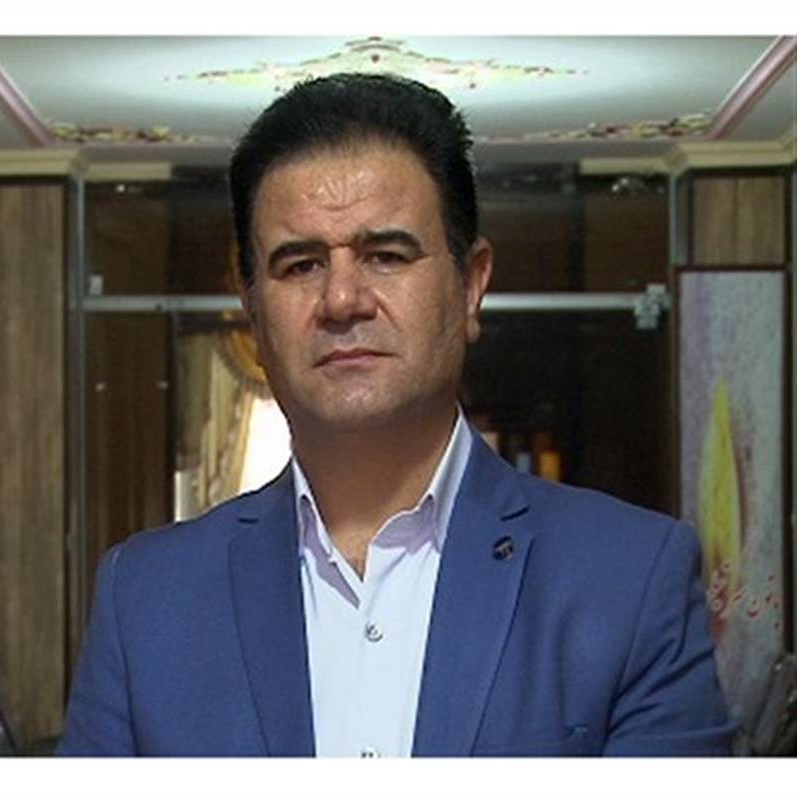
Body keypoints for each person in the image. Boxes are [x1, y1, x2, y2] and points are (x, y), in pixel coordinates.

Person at [59, 73, 735, 756]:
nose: (342, 300)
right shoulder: (145, 600)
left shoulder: (628, 579)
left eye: (386, 256)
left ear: (470, 285)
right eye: (301, 265)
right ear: (252, 307)